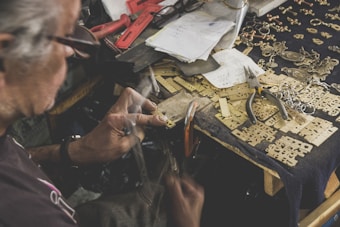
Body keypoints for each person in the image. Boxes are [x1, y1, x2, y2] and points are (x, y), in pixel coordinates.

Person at [0, 0, 204, 227]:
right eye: (63, 36)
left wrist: (73, 151)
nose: (71, 52)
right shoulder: (31, 216)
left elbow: (14, 157)